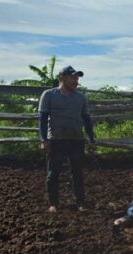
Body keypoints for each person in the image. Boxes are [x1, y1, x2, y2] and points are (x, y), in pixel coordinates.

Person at [38, 65, 96, 213]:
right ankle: (54, 203)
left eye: (77, 78)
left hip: (76, 139)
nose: (76, 81)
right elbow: (43, 119)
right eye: (73, 77)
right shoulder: (49, 95)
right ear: (62, 77)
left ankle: (80, 202)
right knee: (53, 173)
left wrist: (91, 139)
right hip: (56, 139)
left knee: (77, 172)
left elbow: (86, 119)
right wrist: (43, 139)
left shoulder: (80, 98)